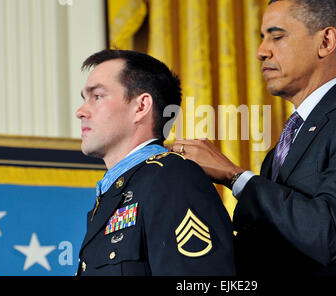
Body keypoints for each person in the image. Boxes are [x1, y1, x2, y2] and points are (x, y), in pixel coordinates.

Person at [173, 0, 336, 275]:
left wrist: (234, 176)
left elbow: (330, 233)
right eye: (262, 38)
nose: (261, 51)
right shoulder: (279, 152)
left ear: (326, 41)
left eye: (277, 36)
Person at [75, 49, 235, 276]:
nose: (80, 112)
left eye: (97, 96)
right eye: (84, 99)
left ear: (141, 107)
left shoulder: (172, 177)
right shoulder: (118, 191)